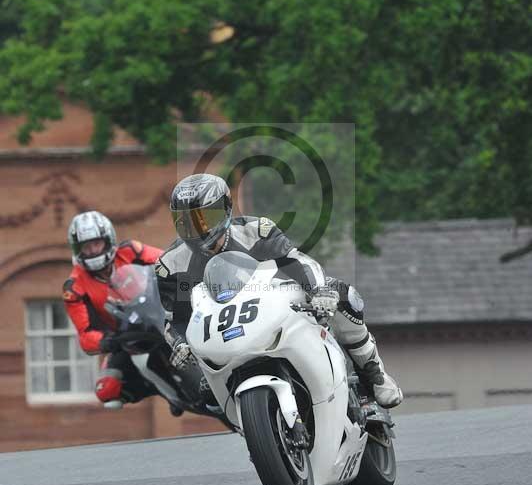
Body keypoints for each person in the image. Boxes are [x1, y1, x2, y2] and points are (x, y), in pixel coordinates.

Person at [155, 173, 403, 409]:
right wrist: (179, 344)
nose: (199, 229)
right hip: (224, 331)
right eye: (188, 221)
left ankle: (374, 374)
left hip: (273, 300)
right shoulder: (171, 265)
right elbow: (175, 319)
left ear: (227, 209)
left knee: (343, 295)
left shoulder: (257, 231)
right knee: (205, 393)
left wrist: (318, 290)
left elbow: (296, 262)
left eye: (206, 217)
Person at [63, 210, 177, 411]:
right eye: (86, 247)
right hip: (124, 337)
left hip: (162, 313)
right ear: (77, 250)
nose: (92, 250)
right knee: (106, 391)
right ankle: (161, 388)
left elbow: (167, 262)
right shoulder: (73, 287)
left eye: (96, 243)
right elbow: (85, 335)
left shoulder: (131, 250)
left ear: (108, 240)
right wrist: (108, 341)